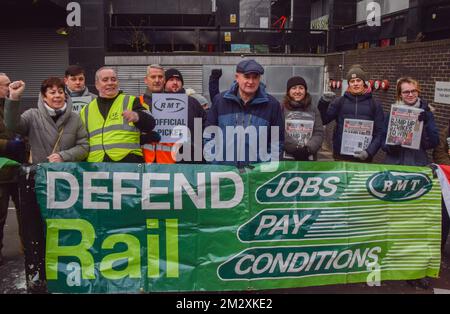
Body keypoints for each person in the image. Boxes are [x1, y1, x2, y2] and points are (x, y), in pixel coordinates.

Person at [4, 77, 89, 293]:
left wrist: (64, 155)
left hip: (66, 183)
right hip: (38, 182)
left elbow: (84, 147)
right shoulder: (32, 115)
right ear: (44, 96)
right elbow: (13, 125)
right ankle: (39, 274)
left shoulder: (76, 119)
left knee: (65, 228)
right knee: (38, 228)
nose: (58, 95)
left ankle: (66, 271)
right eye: (52, 92)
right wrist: (14, 98)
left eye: (61, 91)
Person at [205, 59, 284, 166]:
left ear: (259, 78)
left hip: (256, 176)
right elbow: (209, 135)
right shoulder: (220, 101)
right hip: (223, 172)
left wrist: (264, 168)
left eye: (255, 77)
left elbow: (276, 141)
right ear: (237, 77)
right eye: (247, 77)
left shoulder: (272, 105)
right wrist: (216, 163)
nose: (251, 82)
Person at [80, 67, 156, 163]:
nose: (110, 83)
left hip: (128, 163)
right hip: (96, 166)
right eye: (105, 80)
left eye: (113, 79)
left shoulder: (131, 101)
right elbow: (81, 141)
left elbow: (151, 124)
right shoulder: (86, 110)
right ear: (97, 85)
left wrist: (137, 117)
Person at [318, 65, 384, 162]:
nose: (355, 84)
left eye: (358, 80)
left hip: (364, 157)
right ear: (349, 84)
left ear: (364, 82)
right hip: (341, 157)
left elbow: (380, 132)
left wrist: (369, 152)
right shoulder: (339, 102)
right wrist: (323, 103)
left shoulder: (374, 104)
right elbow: (323, 120)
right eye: (352, 81)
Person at [382, 77, 439, 166]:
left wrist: (426, 123)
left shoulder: (426, 114)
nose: (411, 94)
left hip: (417, 165)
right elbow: (383, 145)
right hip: (395, 164)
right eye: (406, 92)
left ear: (418, 92)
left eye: (414, 91)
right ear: (400, 94)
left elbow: (433, 142)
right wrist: (393, 145)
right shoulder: (391, 115)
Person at [0, 73, 25, 266]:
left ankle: (27, 250)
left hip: (18, 170)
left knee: (25, 213)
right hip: (1, 174)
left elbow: (22, 128)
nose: (10, 87)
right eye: (6, 85)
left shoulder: (12, 106)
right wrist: (7, 145)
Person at [158, 68, 207, 164]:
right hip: (166, 158)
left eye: (178, 80)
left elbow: (205, 125)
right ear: (164, 83)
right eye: (171, 80)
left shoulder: (192, 102)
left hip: (191, 157)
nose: (175, 82)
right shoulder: (158, 103)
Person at [283, 76, 324, 161]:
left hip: (308, 157)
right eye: (294, 88)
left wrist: (308, 149)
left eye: (301, 88)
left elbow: (319, 133)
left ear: (305, 91)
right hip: (286, 158)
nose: (297, 91)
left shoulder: (313, 109)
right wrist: (294, 148)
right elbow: (278, 131)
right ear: (288, 91)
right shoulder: (281, 109)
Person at [433, 119, 450, 256]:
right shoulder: (447, 131)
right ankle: (439, 250)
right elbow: (439, 152)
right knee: (444, 219)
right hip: (448, 183)